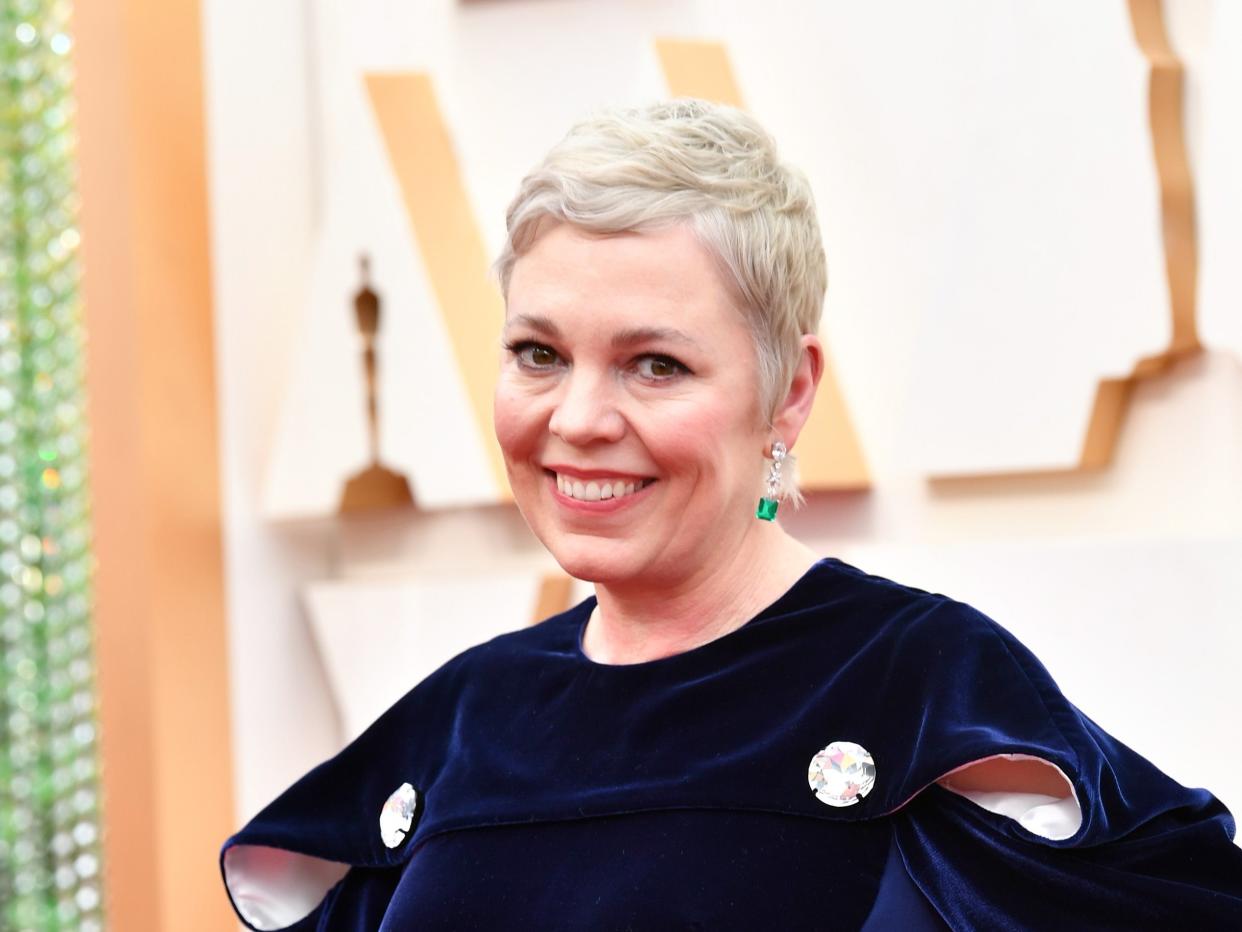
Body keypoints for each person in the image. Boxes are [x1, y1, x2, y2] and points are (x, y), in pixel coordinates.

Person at [220, 99, 1242, 930]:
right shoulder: (462, 716)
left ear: (788, 391)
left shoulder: (925, 690)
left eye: (654, 363)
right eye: (539, 353)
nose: (578, 419)